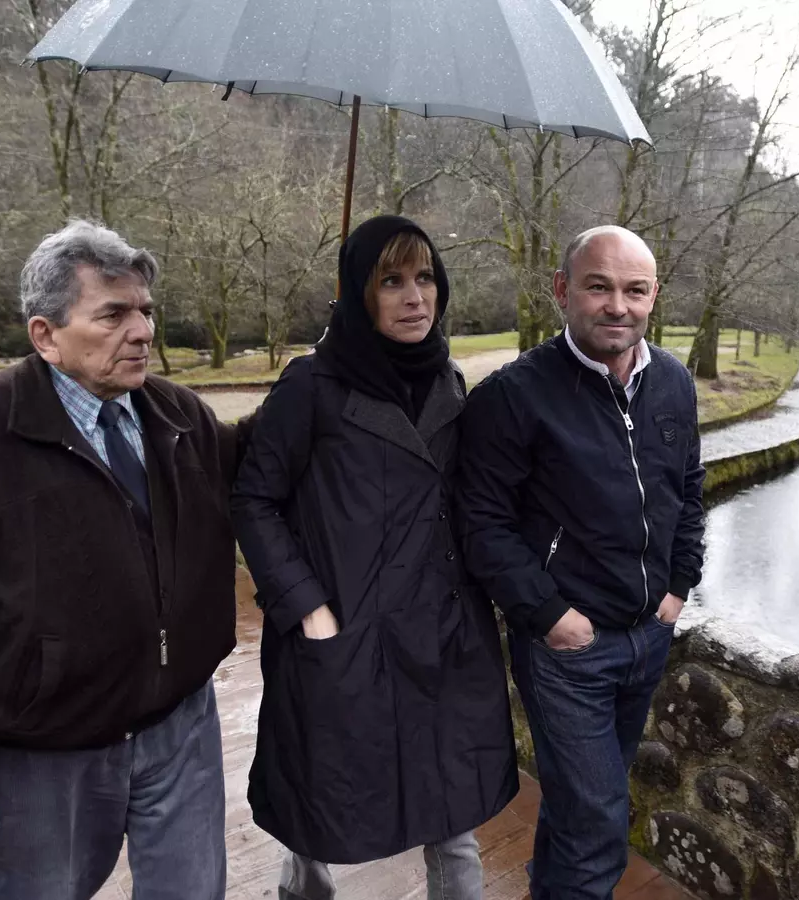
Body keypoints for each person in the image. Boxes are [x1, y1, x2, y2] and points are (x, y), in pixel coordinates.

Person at [0, 220, 245, 900]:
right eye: (114, 314)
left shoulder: (177, 413)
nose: (143, 332)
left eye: (146, 311)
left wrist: (330, 371)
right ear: (45, 335)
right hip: (40, 755)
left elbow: (262, 472)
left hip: (180, 728)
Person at [231, 215, 518, 900]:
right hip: (346, 631)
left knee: (453, 810)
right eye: (391, 281)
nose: (415, 297)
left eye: (425, 278)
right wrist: (308, 609)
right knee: (318, 799)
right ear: (358, 292)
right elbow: (254, 500)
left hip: (441, 635)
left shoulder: (448, 380)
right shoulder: (311, 385)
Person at [457, 225, 707, 900]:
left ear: (654, 295)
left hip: (648, 636)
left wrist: (679, 585)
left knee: (579, 808)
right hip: (569, 653)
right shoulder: (514, 396)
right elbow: (481, 524)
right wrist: (550, 616)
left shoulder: (674, 381)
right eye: (599, 287)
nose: (617, 306)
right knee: (598, 824)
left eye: (635, 290)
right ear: (562, 290)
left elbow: (688, 489)